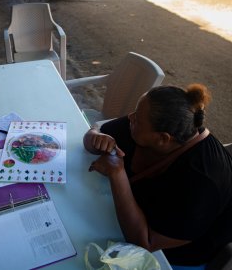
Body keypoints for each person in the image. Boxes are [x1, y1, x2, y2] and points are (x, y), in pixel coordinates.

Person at [84, 84, 232, 269]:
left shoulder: (202, 181)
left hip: (174, 255)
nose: (130, 117)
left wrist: (117, 173)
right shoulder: (144, 127)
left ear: (163, 139)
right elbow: (95, 132)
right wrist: (95, 138)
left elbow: (144, 243)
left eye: (137, 118)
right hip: (133, 215)